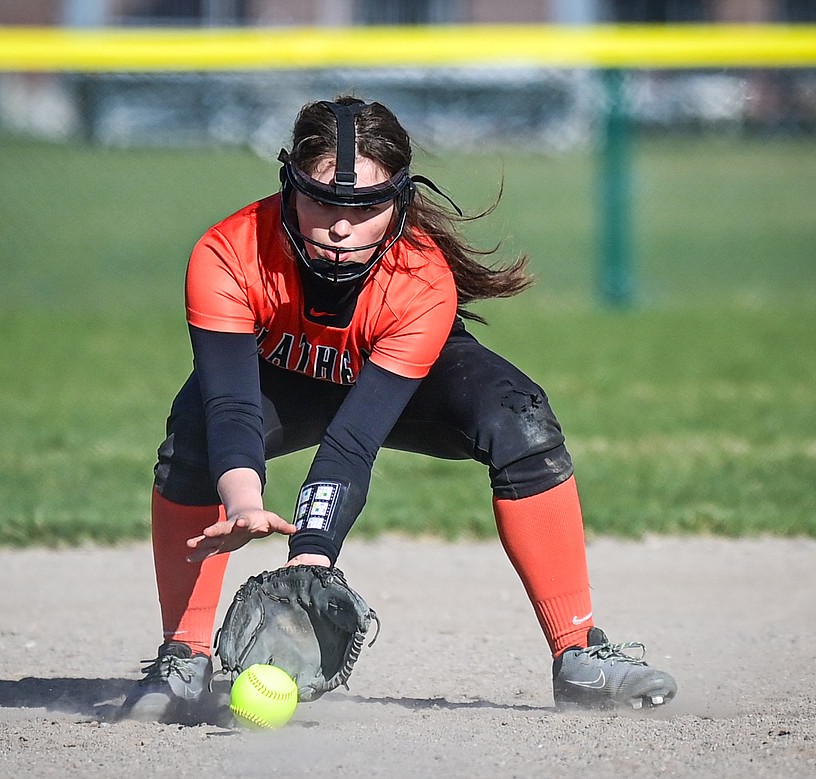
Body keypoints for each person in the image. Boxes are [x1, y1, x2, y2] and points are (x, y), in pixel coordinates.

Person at [121, 96, 676, 722]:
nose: (340, 227)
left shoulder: (421, 278)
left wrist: (310, 555)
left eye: (366, 208)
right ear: (287, 186)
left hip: (396, 382)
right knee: (193, 434)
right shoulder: (228, 252)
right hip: (282, 383)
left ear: (402, 202)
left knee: (520, 418)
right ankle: (184, 658)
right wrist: (245, 503)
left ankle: (580, 653)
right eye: (323, 200)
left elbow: (352, 443)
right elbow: (229, 405)